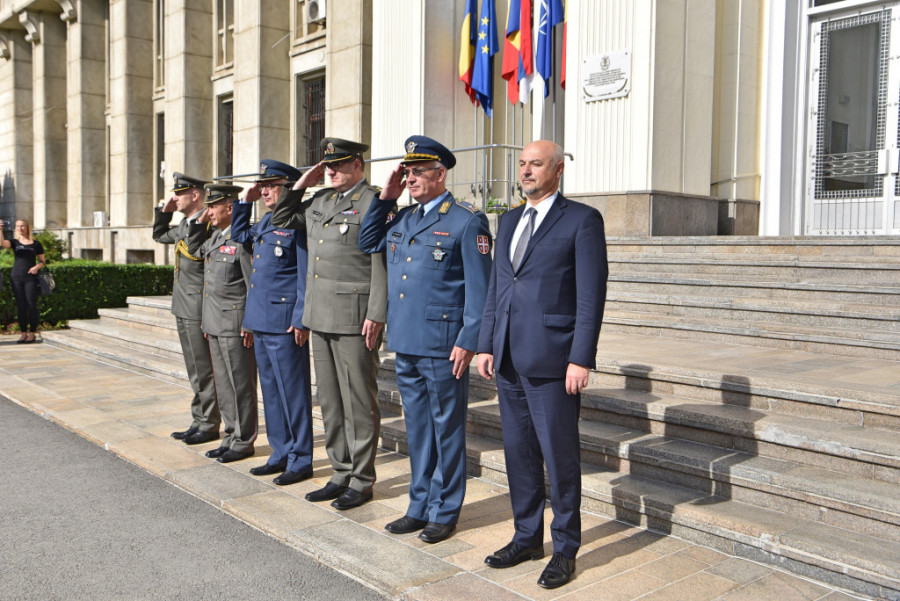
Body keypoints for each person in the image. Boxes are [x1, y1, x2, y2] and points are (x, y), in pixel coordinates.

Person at [476, 140, 608, 590]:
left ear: (557, 171)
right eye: (522, 164)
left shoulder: (582, 220)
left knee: (559, 456)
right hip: (508, 357)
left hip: (554, 359)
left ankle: (565, 548)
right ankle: (527, 537)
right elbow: (497, 288)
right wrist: (486, 343)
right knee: (519, 454)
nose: (526, 171)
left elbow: (590, 296)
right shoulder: (510, 219)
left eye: (536, 164)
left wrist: (580, 357)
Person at [359, 135, 492, 543]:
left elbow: (481, 288)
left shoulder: (466, 220)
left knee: (446, 430)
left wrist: (470, 339)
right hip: (406, 340)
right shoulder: (402, 218)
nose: (411, 178)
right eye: (407, 172)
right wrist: (386, 197)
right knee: (418, 429)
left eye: (418, 172)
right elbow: (367, 241)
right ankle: (418, 505)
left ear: (440, 174)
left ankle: (444, 510)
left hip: (443, 344)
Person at [270, 138, 389, 510]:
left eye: (338, 165)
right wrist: (301, 185)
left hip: (354, 317)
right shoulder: (319, 201)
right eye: (327, 166)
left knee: (358, 401)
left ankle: (362, 479)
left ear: (358, 165)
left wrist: (377, 312)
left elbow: (380, 262)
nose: (332, 171)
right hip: (319, 315)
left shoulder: (372, 201)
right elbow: (281, 219)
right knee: (331, 401)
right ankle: (340, 471)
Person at [231, 159, 314, 486]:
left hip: (284, 321)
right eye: (262, 186)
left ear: (288, 188)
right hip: (261, 320)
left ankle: (301, 458)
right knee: (272, 392)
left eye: (271, 186)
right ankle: (280, 452)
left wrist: (301, 317)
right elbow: (240, 235)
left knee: (293, 393)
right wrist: (244, 202)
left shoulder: (298, 222)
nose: (264, 191)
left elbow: (305, 273)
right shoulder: (266, 220)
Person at [152, 173, 220, 445]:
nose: (175, 198)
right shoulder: (184, 223)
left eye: (179, 194)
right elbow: (159, 236)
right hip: (182, 304)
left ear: (195, 195)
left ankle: (210, 423)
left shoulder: (208, 223)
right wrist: (164, 212)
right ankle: (199, 419)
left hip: (198, 305)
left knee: (204, 368)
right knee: (194, 368)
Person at [199, 184, 258, 464]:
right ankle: (231, 435)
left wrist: (249, 323)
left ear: (230, 208)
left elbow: (251, 284)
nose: (209, 212)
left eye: (213, 206)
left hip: (235, 324)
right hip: (214, 322)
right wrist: (206, 322)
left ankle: (244, 440)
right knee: (224, 385)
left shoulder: (242, 240)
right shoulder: (215, 238)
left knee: (240, 385)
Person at [0, 219, 46, 343]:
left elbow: (42, 261)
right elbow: (2, 243)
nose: (20, 228)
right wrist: (0, 230)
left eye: (22, 226)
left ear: (27, 227)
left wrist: (36, 267)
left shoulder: (36, 244)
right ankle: (23, 333)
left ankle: (32, 333)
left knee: (31, 304)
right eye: (18, 226)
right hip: (16, 277)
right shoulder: (14, 242)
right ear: (15, 228)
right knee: (21, 306)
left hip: (31, 277)